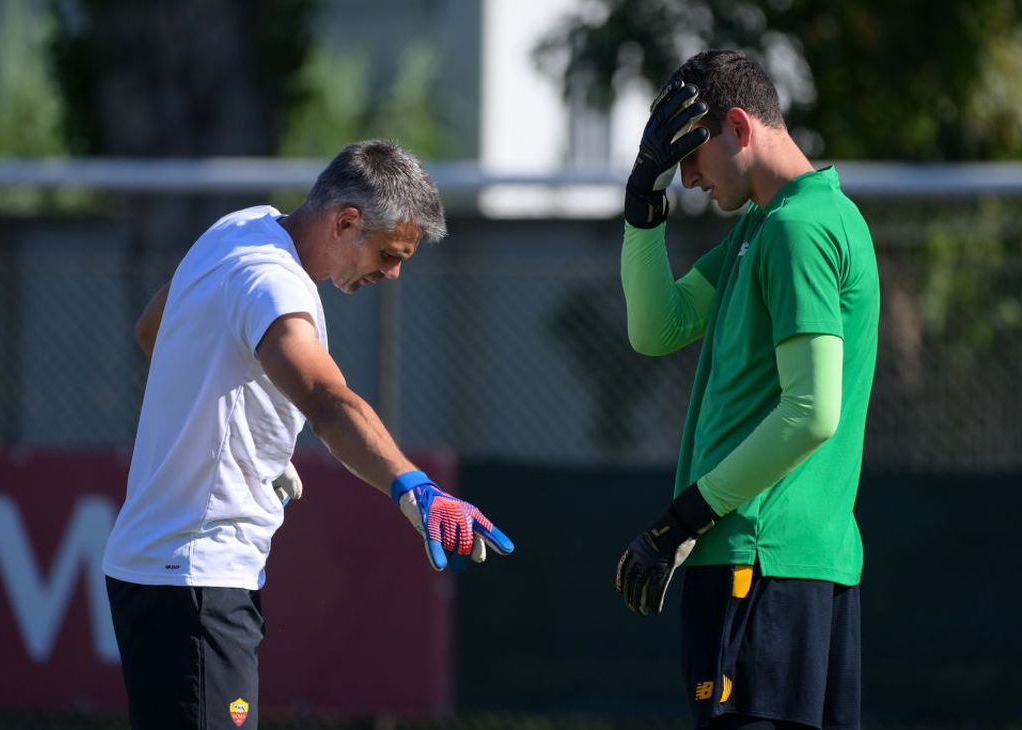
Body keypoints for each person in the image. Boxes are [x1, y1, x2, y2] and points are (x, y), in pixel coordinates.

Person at [103, 139, 514, 730]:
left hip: (169, 573)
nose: (393, 273)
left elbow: (152, 331)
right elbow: (327, 401)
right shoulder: (275, 282)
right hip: (197, 578)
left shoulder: (239, 229)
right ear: (347, 221)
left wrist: (255, 441)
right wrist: (415, 488)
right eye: (390, 252)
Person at [613, 50, 879, 730]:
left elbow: (813, 412)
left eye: (689, 157)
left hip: (761, 565)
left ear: (738, 126)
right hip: (793, 568)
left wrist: (686, 518)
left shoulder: (797, 230)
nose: (688, 177)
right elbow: (657, 327)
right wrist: (644, 205)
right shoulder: (771, 226)